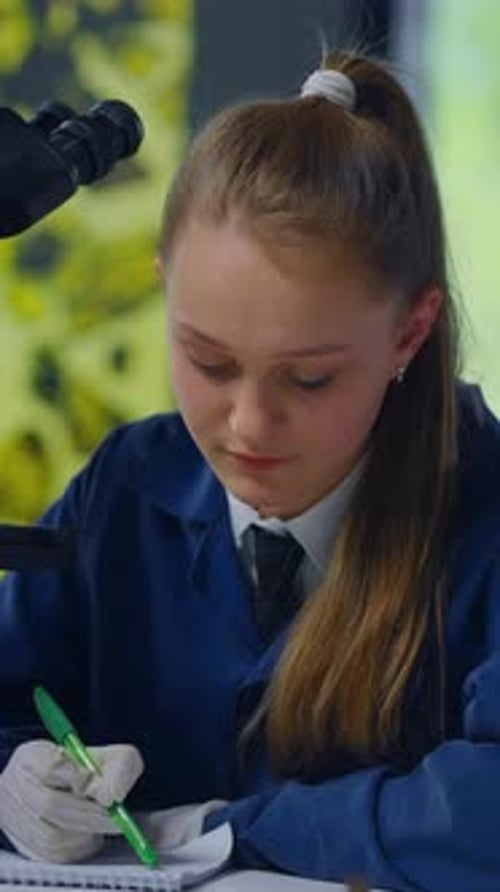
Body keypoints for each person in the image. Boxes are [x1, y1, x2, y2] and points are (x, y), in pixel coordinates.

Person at [0, 48, 499, 892]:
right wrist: (14, 781)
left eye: (309, 378)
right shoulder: (127, 483)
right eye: (208, 361)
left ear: (410, 335)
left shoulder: (485, 513)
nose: (247, 425)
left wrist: (222, 831)